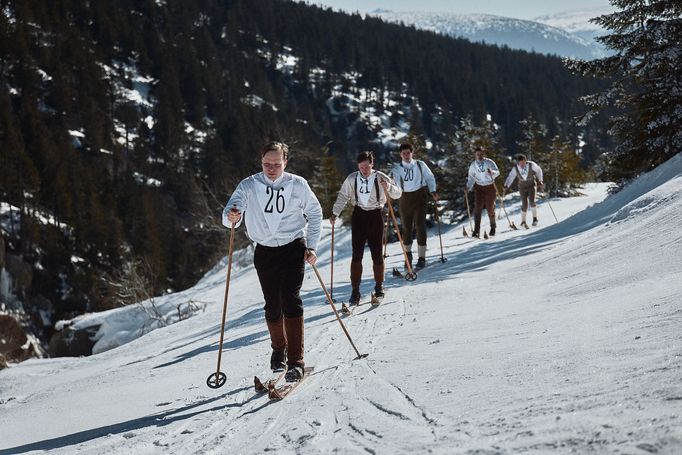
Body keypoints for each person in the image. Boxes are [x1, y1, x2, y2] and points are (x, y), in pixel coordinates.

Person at [222, 142, 322, 382]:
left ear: (285, 162)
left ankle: (296, 361)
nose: (271, 168)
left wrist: (312, 246)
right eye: (267, 164)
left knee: (291, 299)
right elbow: (230, 214)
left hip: (293, 247)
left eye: (277, 164)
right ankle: (279, 350)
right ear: (261, 162)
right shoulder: (249, 185)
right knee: (272, 305)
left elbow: (316, 212)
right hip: (264, 251)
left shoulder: (298, 185)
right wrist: (231, 215)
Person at [330, 151, 402, 308]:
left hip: (375, 215)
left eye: (366, 166)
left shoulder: (380, 177)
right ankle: (355, 291)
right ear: (358, 166)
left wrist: (388, 186)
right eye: (361, 167)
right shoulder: (352, 178)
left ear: (372, 164)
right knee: (357, 254)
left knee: (377, 253)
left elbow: (398, 194)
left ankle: (378, 287)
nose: (364, 170)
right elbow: (343, 196)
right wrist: (335, 213)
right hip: (359, 215)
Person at [389, 143, 438, 270]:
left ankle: (422, 258)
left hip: (420, 196)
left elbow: (429, 177)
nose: (406, 155)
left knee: (420, 225)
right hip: (405, 198)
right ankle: (408, 256)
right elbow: (392, 184)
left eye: (408, 153)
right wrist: (388, 189)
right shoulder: (396, 169)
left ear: (412, 153)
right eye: (403, 153)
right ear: (400, 154)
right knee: (406, 228)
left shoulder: (420, 165)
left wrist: (433, 190)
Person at [466, 146, 500, 237]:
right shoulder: (473, 165)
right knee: (478, 208)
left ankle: (493, 227)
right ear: (475, 155)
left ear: (484, 154)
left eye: (481, 154)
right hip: (479, 188)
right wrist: (468, 187)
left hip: (490, 186)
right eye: (478, 154)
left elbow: (497, 172)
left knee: (490, 208)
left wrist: (492, 172)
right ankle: (476, 231)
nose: (480, 156)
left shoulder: (489, 162)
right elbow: (471, 177)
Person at [503, 154, 544, 228]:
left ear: (526, 161)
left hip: (531, 185)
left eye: (523, 162)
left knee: (532, 201)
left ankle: (535, 218)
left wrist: (540, 180)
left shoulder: (531, 165)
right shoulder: (516, 168)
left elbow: (539, 170)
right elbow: (511, 177)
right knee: (524, 204)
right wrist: (506, 185)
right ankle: (523, 221)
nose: (522, 164)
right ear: (518, 162)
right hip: (522, 186)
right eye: (520, 163)